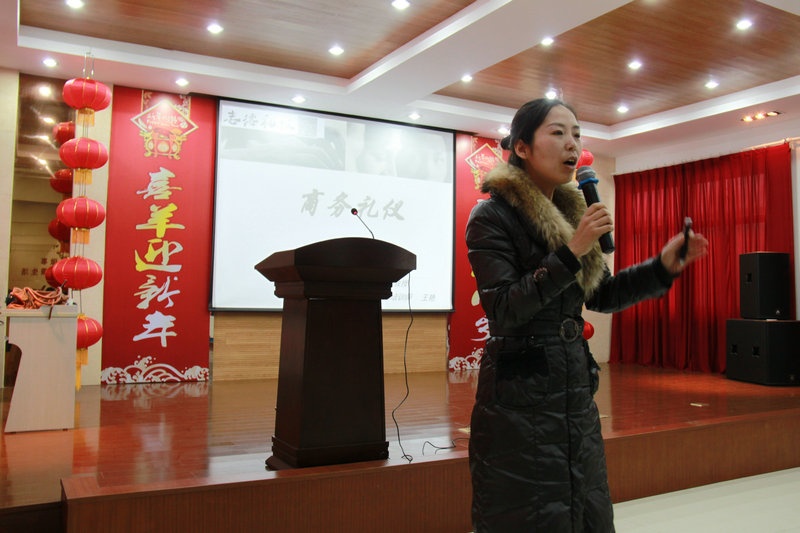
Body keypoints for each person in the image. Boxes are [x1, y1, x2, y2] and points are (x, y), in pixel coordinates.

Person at [465, 98, 708, 532]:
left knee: (586, 510)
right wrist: (572, 250)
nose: (572, 145)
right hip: (519, 398)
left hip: (574, 391)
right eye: (558, 133)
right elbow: (505, 308)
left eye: (576, 134)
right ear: (522, 147)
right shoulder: (492, 216)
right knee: (529, 515)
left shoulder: (573, 213)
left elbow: (603, 294)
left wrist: (660, 267)